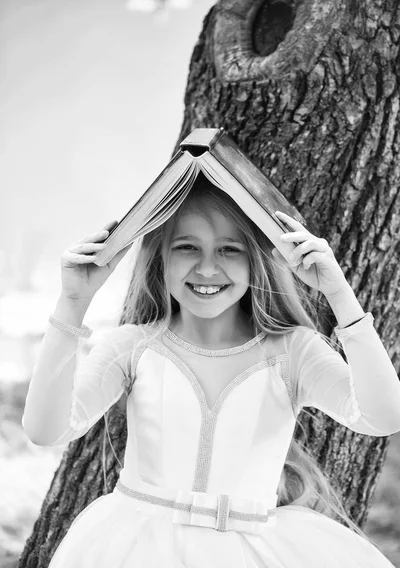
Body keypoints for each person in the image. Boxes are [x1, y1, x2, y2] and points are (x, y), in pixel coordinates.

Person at [22, 174, 400, 568]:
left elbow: (383, 416)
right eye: (187, 247)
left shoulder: (293, 352)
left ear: (256, 261)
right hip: (137, 549)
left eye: (229, 250)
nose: (206, 268)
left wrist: (339, 293)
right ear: (161, 257)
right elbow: (44, 430)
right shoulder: (133, 347)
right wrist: (72, 301)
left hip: (257, 551)